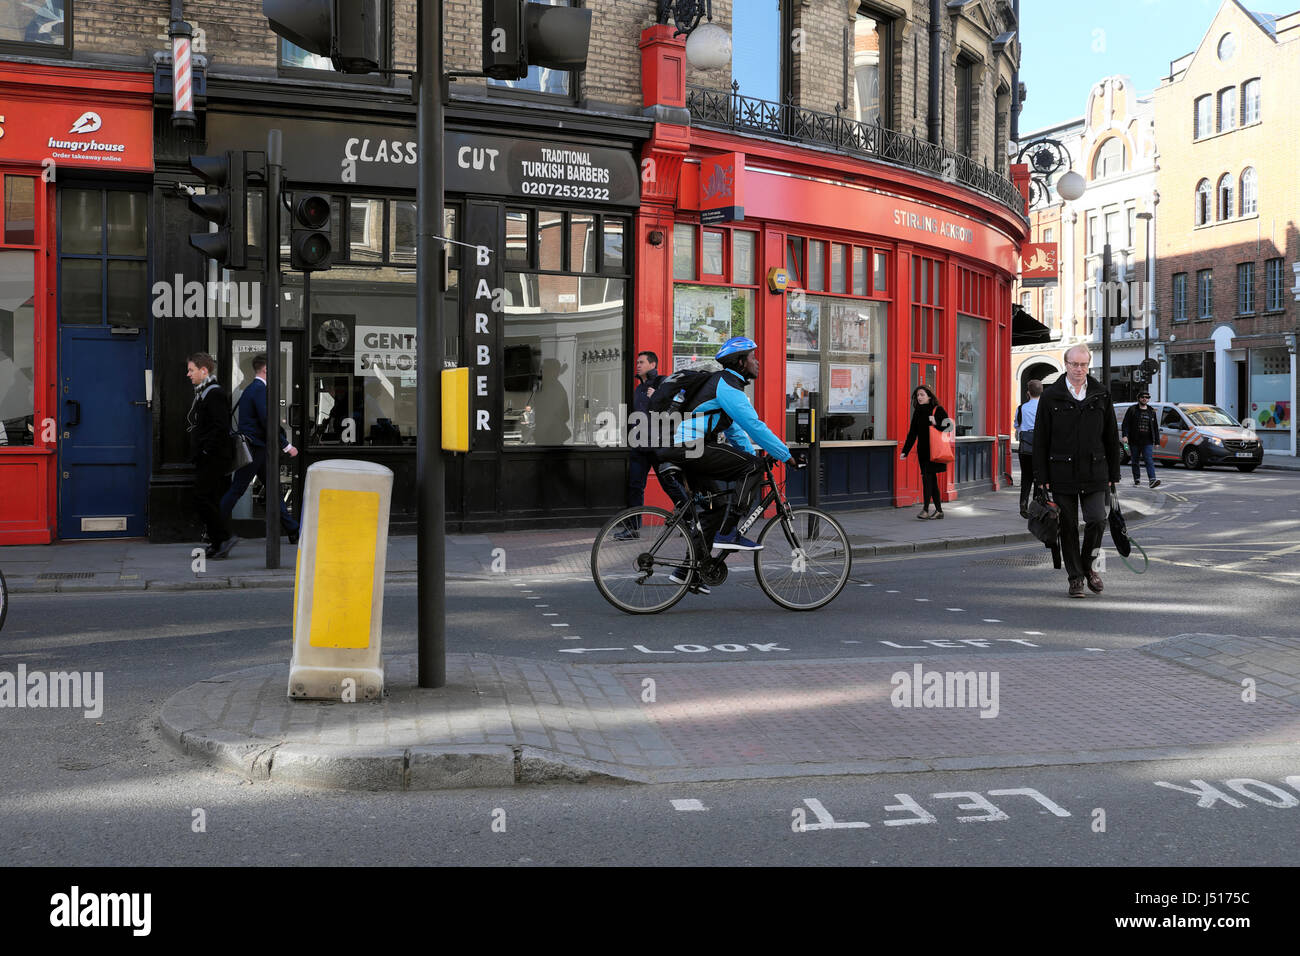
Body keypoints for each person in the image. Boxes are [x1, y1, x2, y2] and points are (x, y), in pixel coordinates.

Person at [656, 337, 806, 590]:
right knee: (752, 468)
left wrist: (753, 454)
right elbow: (754, 426)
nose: (756, 361)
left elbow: (736, 431)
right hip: (693, 446)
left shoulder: (724, 386)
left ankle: (688, 571)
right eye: (752, 357)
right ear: (740, 361)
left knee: (718, 505)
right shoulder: (726, 385)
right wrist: (785, 455)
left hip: (685, 448)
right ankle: (729, 533)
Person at [1032, 345, 1121, 598]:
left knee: (1097, 520)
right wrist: (1041, 478)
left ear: (1088, 365)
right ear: (1066, 364)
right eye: (1074, 364)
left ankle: (1088, 566)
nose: (1079, 369)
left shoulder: (1101, 393)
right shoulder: (1051, 396)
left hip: (1095, 470)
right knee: (1068, 526)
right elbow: (1041, 439)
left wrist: (1114, 473)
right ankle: (1075, 578)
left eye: (1083, 365)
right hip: (1061, 471)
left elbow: (1111, 436)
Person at [221, 353, 301, 549]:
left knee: (272, 490)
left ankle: (292, 530)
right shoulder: (258, 389)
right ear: (265, 369)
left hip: (258, 447)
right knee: (237, 489)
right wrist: (286, 445)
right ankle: (213, 528)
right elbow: (267, 421)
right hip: (255, 447)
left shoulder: (254, 389)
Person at [186, 352, 235, 559]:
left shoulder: (214, 393)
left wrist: (205, 450)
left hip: (213, 457)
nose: (188, 374)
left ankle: (223, 537)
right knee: (209, 498)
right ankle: (218, 542)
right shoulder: (204, 392)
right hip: (208, 457)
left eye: (191, 370)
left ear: (203, 370)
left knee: (201, 497)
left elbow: (220, 427)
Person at [614, 350, 662, 540]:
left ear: (652, 364)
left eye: (641, 362)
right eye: (637, 362)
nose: (638, 365)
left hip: (658, 445)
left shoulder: (663, 384)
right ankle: (632, 528)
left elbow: (674, 407)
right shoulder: (638, 389)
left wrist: (658, 396)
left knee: (670, 484)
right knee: (635, 486)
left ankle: (691, 520)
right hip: (639, 445)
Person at [899, 385, 953, 519]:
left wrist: (936, 423)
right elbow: (912, 433)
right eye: (917, 395)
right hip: (923, 451)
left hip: (935, 450)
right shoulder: (918, 411)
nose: (919, 397)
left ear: (929, 396)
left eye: (922, 395)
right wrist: (905, 451)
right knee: (931, 480)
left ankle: (925, 510)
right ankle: (939, 511)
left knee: (927, 479)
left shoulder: (937, 409)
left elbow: (950, 426)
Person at [1015, 379, 1043, 518]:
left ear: (1028, 393)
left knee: (1026, 477)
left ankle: (1023, 504)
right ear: (1041, 392)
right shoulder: (1044, 407)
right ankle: (1035, 506)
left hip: (1025, 448)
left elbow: (1017, 425)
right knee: (1039, 478)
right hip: (1040, 448)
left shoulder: (1021, 408)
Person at [1122, 390, 1162, 488]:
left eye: (1147, 397)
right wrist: (1125, 435)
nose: (1145, 399)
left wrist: (1157, 441)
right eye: (1143, 397)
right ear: (1139, 398)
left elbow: (1155, 427)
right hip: (1134, 440)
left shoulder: (1151, 411)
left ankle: (1152, 480)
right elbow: (1125, 424)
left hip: (1147, 441)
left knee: (1149, 459)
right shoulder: (1132, 410)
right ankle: (1137, 479)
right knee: (1135, 460)